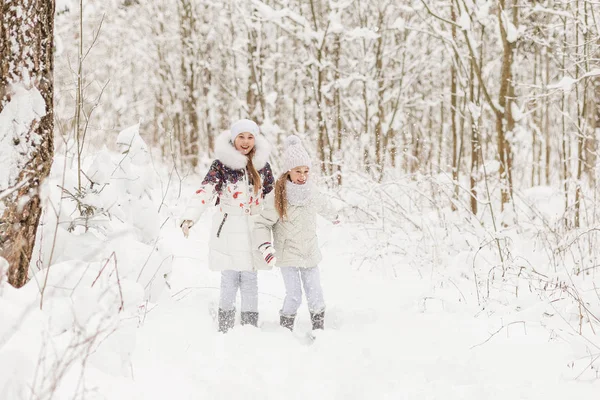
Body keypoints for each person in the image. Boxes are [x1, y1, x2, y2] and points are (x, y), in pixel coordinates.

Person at [180, 119, 274, 333]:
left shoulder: (262, 166)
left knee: (250, 279)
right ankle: (225, 327)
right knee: (230, 278)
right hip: (228, 228)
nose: (245, 141)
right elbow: (205, 191)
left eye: (250, 137)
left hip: (253, 230)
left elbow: (272, 198)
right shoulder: (222, 165)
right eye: (241, 136)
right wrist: (189, 217)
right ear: (233, 138)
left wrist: (281, 222)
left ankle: (250, 328)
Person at [253, 135, 338, 332]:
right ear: (288, 171)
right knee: (294, 296)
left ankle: (319, 331)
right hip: (287, 254)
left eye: (306, 171)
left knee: (315, 293)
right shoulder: (278, 195)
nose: (302, 176)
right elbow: (262, 224)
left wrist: (334, 215)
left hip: (309, 251)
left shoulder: (311, 191)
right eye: (298, 171)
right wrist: (265, 246)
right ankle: (285, 330)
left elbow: (324, 205)